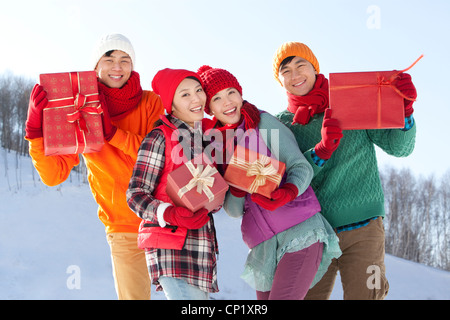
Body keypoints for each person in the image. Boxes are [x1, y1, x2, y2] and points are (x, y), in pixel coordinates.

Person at [272, 41, 417, 300]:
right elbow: (286, 182)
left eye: (300, 65)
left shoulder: (351, 101)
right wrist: (321, 151)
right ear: (279, 80)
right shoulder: (282, 125)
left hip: (364, 230)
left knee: (368, 294)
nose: (294, 75)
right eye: (285, 71)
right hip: (312, 235)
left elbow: (399, 148)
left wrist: (404, 111)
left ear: (314, 68)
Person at [25, 33, 164, 300]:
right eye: (109, 58)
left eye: (125, 60)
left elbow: (158, 155)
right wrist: (35, 132)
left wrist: (112, 134)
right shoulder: (77, 107)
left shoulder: (150, 102)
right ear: (95, 66)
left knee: (183, 297)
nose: (117, 66)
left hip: (162, 218)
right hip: (123, 227)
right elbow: (54, 176)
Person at [197, 65, 341, 300]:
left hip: (300, 232)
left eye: (231, 92)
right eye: (217, 98)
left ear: (240, 93)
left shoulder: (262, 123)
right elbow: (233, 211)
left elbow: (300, 165)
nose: (227, 102)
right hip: (264, 246)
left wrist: (289, 191)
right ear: (209, 108)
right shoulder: (218, 148)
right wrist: (236, 185)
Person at [127, 68, 220, 300]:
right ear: (172, 104)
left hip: (201, 246)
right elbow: (135, 194)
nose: (196, 98)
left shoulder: (205, 141)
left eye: (198, 90)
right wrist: (170, 214)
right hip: (170, 242)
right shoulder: (159, 137)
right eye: (185, 94)